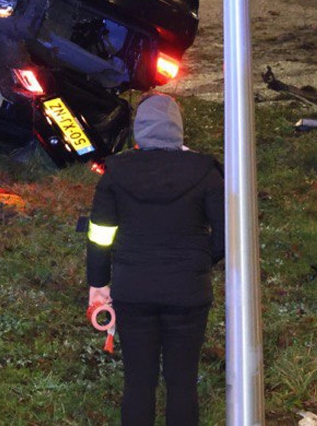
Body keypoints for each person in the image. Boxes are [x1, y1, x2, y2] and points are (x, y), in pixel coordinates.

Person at [85, 93, 224, 426]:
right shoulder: (205, 171)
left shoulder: (116, 172)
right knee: (182, 383)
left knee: (138, 382)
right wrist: (201, 261)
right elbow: (227, 232)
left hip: (133, 291)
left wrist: (98, 285)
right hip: (188, 293)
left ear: (138, 132)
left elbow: (100, 236)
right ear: (179, 130)